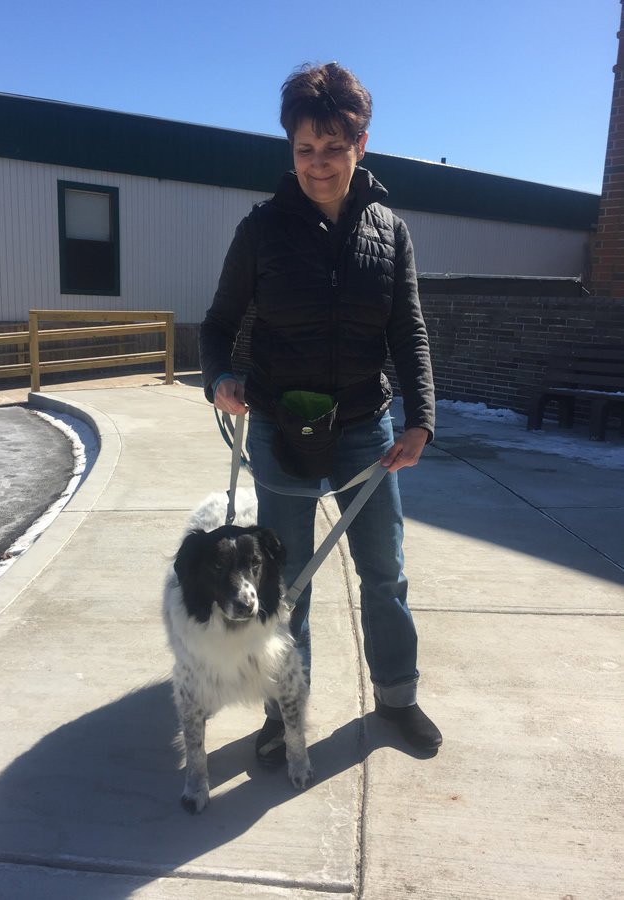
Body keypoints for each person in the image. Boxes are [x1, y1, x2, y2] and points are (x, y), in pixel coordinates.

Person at [199, 62, 442, 761]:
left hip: (366, 430)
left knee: (384, 573)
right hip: (278, 429)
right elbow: (216, 325)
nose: (318, 163)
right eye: (304, 148)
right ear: (290, 150)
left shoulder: (389, 232)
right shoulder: (261, 231)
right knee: (285, 584)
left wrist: (421, 418)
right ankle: (284, 712)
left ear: (360, 144)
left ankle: (396, 699)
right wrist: (218, 377)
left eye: (333, 147)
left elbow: (409, 331)